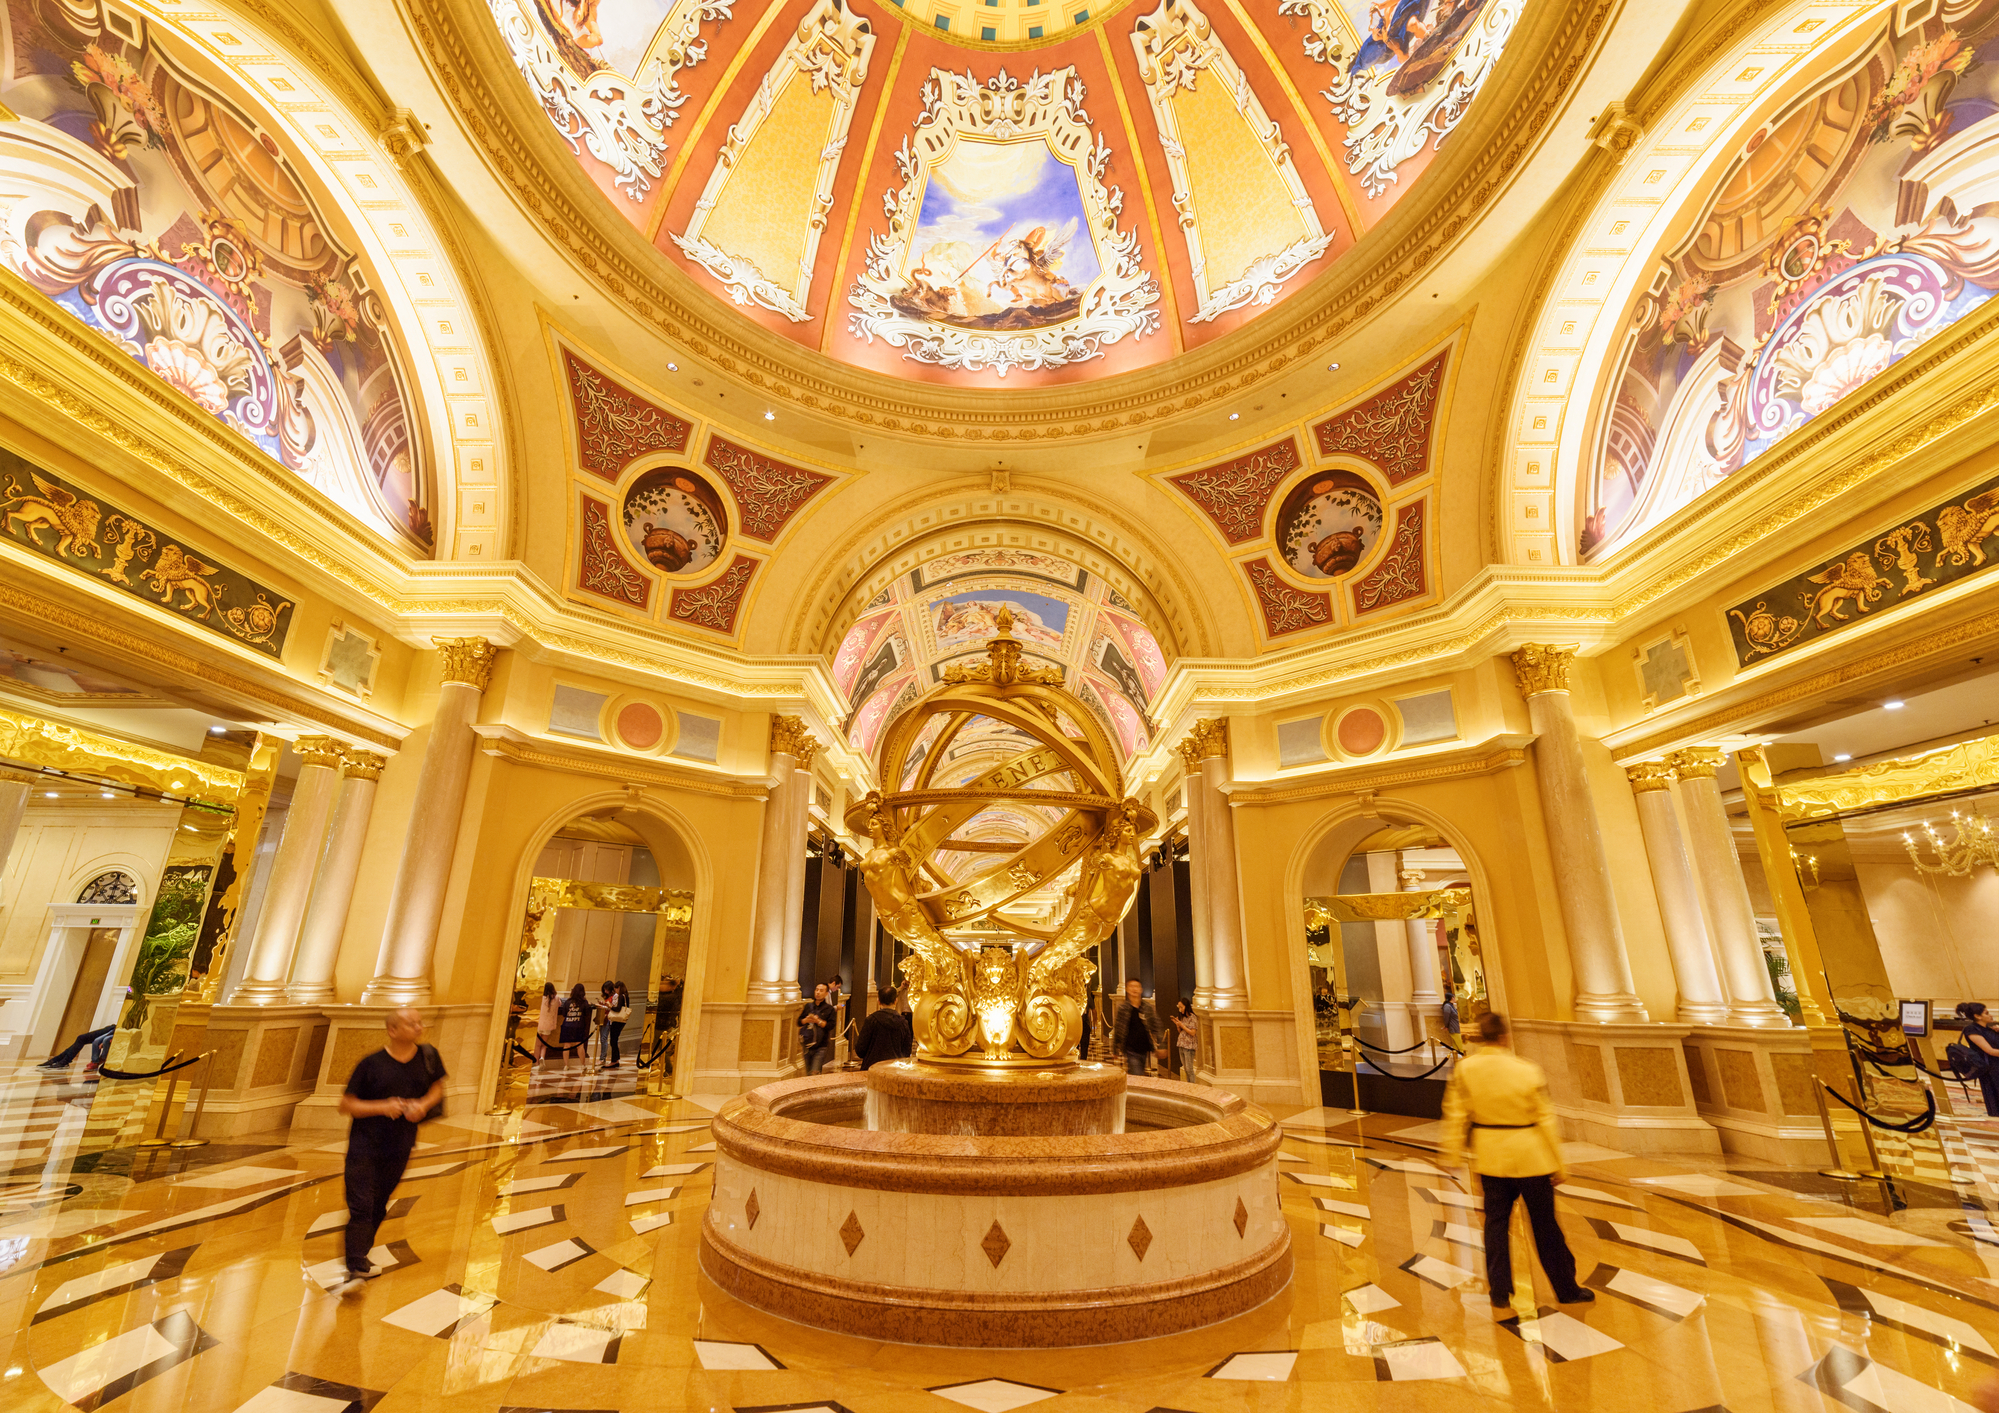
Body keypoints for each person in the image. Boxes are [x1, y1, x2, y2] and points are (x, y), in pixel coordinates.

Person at [1440, 1011, 1593, 1314]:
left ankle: (1499, 1290)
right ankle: (1566, 1288)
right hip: (1531, 1158)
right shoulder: (1526, 1070)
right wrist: (1559, 1165)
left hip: (1490, 1158)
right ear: (1504, 1036)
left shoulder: (1466, 1070)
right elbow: (1545, 1119)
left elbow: (1455, 1114)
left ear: (1482, 1037)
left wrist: (1452, 1154)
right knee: (1545, 1226)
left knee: (1496, 1224)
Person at [334, 1008, 443, 1295]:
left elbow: (437, 1088)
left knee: (379, 1203)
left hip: (400, 1145)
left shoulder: (428, 1057)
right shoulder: (371, 1064)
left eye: (419, 1022)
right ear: (393, 1030)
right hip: (364, 1145)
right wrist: (383, 1107)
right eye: (411, 1023)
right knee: (361, 1206)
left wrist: (423, 1105)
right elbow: (347, 1105)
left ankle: (360, 1256)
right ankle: (355, 1264)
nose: (418, 1027)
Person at [1113, 978, 1164, 1077]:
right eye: (1131, 986)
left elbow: (1156, 1025)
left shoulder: (1146, 1007)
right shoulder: (1123, 1009)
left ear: (1141, 989)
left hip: (1144, 1049)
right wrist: (1115, 1049)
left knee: (1139, 1074)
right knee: (1137, 1074)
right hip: (1130, 1049)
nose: (1134, 989)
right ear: (1127, 989)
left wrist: (1161, 1046)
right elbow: (1118, 1029)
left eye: (1136, 986)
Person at [854, 986, 913, 1069]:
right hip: (895, 1069)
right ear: (896, 1001)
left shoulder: (871, 1020)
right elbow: (907, 1051)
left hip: (871, 1067)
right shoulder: (903, 1023)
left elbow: (860, 1049)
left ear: (878, 1001)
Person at [1957, 1002, 1999, 1116]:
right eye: (1986, 1013)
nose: (1990, 1015)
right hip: (1990, 1068)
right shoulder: (1971, 1030)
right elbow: (1989, 1050)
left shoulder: (1989, 1029)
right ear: (1977, 1016)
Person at [41, 1024, 116, 1072]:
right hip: (112, 1028)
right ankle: (60, 1059)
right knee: (81, 1038)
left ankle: (61, 1060)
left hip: (114, 1030)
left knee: (81, 1038)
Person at [799, 982, 835, 1075]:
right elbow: (799, 1022)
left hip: (821, 1045)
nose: (818, 992)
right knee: (808, 1072)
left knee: (815, 1072)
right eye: (817, 990)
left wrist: (818, 1021)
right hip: (807, 1044)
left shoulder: (829, 1009)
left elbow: (830, 1025)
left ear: (826, 993)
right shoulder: (808, 1006)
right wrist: (806, 1020)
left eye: (821, 990)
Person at [557, 983, 591, 1069]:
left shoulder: (568, 1002)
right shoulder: (584, 1002)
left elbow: (564, 1014)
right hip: (578, 1025)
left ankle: (566, 1065)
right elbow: (587, 1013)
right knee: (580, 1046)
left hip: (567, 1025)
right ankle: (583, 1065)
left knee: (566, 1045)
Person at [598, 982, 631, 1069]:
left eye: (616, 988)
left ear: (619, 987)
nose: (615, 990)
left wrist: (610, 1006)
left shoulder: (620, 996)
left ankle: (614, 1061)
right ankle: (616, 1059)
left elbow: (617, 1009)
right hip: (622, 1020)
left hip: (617, 1021)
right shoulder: (626, 996)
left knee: (613, 1040)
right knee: (614, 1040)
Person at [1171, 998, 1199, 1081]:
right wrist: (1177, 1025)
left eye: (1181, 1007)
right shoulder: (1183, 1017)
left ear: (1186, 1006)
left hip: (1189, 1046)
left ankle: (1192, 1087)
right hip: (1181, 1044)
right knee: (1186, 1069)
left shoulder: (1192, 1017)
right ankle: (1188, 1086)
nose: (1180, 1010)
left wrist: (1182, 1025)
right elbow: (1181, 1032)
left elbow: (1192, 1032)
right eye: (1179, 1007)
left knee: (1189, 1069)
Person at [533, 982, 560, 1064]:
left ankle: (536, 1062)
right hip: (548, 1025)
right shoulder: (556, 998)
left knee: (537, 1045)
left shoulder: (541, 998)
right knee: (543, 1045)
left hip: (539, 1024)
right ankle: (542, 1058)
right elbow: (559, 1005)